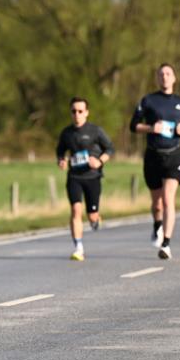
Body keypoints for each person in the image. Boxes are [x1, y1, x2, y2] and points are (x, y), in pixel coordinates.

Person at [129, 63, 180, 260]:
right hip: (153, 155)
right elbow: (133, 126)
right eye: (161, 74)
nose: (165, 77)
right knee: (157, 204)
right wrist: (150, 128)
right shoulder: (148, 100)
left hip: (173, 155)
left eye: (168, 74)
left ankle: (166, 243)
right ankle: (157, 225)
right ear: (158, 78)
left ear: (174, 78)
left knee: (168, 200)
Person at [55, 97, 114, 261]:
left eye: (80, 111)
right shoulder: (66, 133)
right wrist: (61, 160)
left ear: (86, 113)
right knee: (75, 210)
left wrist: (100, 161)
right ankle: (78, 248)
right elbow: (60, 151)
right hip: (74, 177)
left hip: (92, 177)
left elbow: (110, 149)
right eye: (73, 111)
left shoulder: (95, 131)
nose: (77, 114)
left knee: (92, 215)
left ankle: (95, 220)